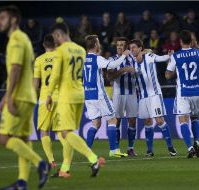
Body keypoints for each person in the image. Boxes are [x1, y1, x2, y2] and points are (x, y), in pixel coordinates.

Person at [0, 5, 49, 190]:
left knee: (4, 138)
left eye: (2, 18)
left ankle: (40, 164)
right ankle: (22, 182)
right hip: (28, 96)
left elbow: (16, 69)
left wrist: (9, 97)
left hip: (19, 96)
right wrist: (6, 96)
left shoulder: (17, 39)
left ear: (13, 20)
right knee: (24, 140)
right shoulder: (23, 38)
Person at [46, 23, 105, 178]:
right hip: (80, 94)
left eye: (55, 37)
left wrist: (49, 95)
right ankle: (64, 169)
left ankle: (93, 159)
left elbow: (55, 76)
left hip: (66, 95)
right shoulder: (80, 50)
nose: (55, 41)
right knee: (70, 133)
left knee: (66, 133)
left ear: (59, 35)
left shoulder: (60, 51)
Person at [165, 30, 199, 158]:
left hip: (183, 92)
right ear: (191, 41)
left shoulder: (176, 56)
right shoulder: (198, 52)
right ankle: (196, 142)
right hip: (197, 92)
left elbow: (167, 75)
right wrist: (197, 47)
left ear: (180, 42)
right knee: (195, 118)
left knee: (183, 119)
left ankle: (190, 147)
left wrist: (173, 69)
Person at [83, 35, 130, 158]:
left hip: (88, 95)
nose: (99, 44)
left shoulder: (83, 59)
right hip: (99, 95)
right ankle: (114, 150)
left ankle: (86, 150)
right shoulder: (97, 59)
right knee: (112, 120)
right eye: (98, 42)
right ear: (95, 45)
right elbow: (113, 65)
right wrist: (124, 55)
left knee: (96, 123)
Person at [129, 39, 177, 157]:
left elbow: (161, 58)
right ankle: (149, 150)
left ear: (140, 48)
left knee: (159, 120)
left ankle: (170, 147)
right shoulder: (131, 62)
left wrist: (169, 55)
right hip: (142, 97)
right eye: (131, 48)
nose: (132, 50)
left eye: (134, 47)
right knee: (147, 121)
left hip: (154, 94)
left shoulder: (149, 57)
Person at [106, 37, 138, 157]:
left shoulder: (133, 58)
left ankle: (130, 148)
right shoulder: (112, 59)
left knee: (132, 121)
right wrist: (123, 70)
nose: (119, 47)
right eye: (117, 45)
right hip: (118, 94)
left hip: (132, 93)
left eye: (122, 45)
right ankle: (116, 148)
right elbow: (109, 78)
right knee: (117, 121)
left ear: (126, 47)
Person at [33, 34, 58, 170]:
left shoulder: (39, 60)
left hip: (44, 98)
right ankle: (67, 159)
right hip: (60, 97)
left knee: (44, 131)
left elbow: (36, 82)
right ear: (55, 44)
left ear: (43, 45)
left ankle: (51, 160)